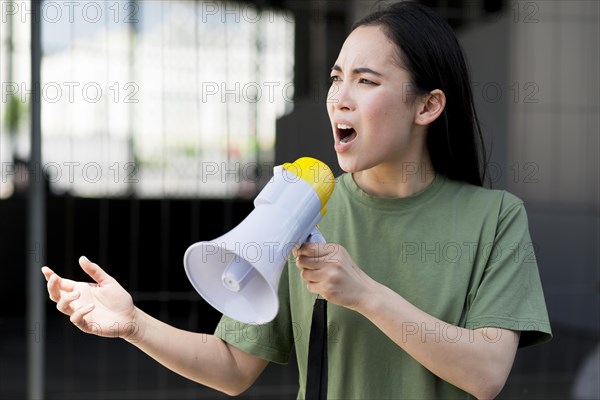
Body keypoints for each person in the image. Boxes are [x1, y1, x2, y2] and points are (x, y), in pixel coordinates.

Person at [42, 2, 552, 399]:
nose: (340, 98)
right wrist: (135, 325)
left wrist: (363, 293)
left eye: (366, 81)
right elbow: (234, 367)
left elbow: (487, 375)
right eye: (336, 78)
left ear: (428, 105)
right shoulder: (301, 205)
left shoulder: (495, 219)